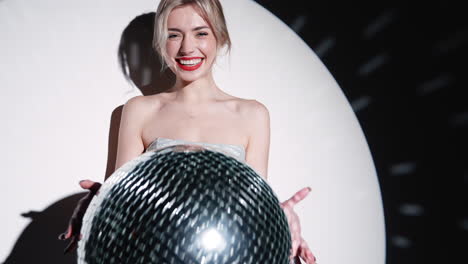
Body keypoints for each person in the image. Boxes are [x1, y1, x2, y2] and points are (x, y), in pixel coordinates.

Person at [59, 0, 316, 263]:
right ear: (161, 43)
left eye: (200, 33)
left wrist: (282, 216)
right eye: (173, 35)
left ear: (220, 36)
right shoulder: (139, 110)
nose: (187, 48)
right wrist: (96, 205)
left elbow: (254, 212)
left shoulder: (251, 114)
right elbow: (120, 205)